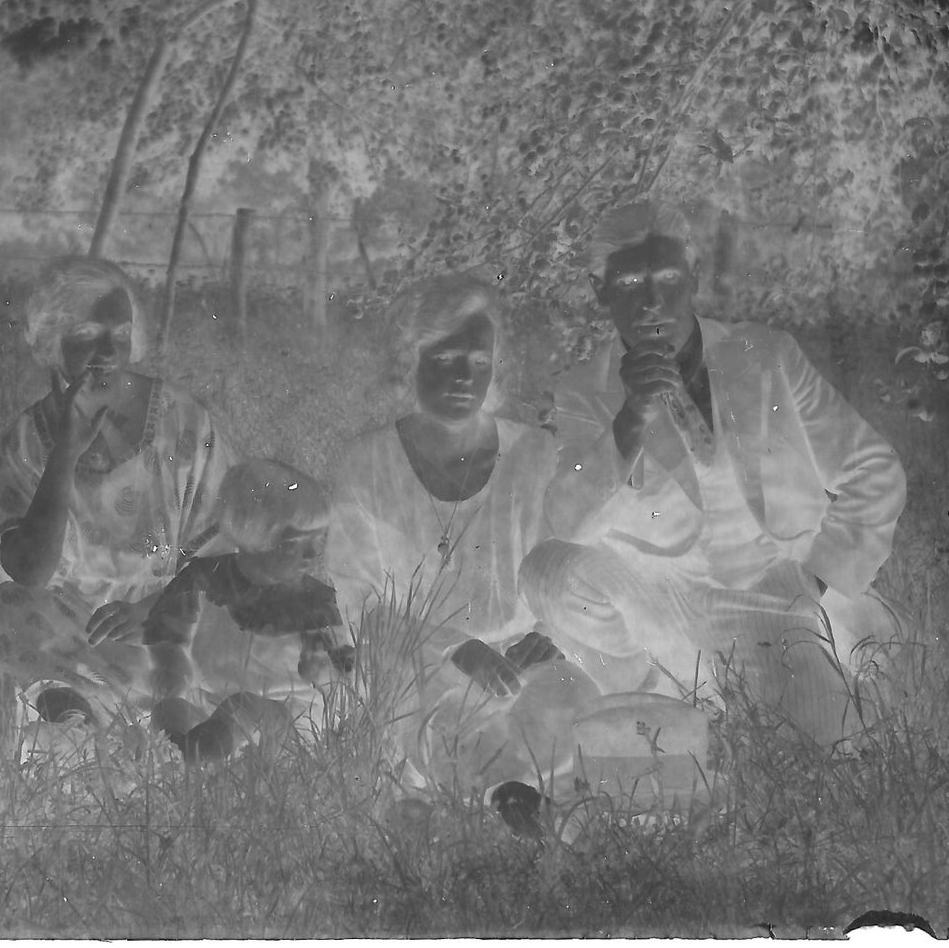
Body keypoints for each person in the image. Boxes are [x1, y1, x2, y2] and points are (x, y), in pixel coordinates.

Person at [526, 201, 907, 743]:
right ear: (599, 289)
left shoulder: (766, 354)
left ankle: (814, 645)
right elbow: (568, 520)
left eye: (667, 277)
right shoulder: (584, 387)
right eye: (629, 282)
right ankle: (665, 687)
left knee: (825, 742)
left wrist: (817, 577)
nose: (651, 300)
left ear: (694, 274)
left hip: (767, 588)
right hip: (664, 599)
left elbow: (874, 469)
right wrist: (631, 414)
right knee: (547, 568)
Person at [325, 274, 600, 807]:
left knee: (570, 698)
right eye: (445, 358)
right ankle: (509, 793)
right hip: (421, 659)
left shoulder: (535, 453)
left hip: (521, 659)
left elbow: (571, 561)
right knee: (434, 713)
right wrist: (458, 648)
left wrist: (550, 630)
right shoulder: (367, 462)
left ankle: (505, 789)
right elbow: (356, 599)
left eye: (478, 360)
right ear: (410, 362)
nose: (463, 377)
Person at [0, 255, 235, 725]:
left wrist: (152, 611)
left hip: (165, 619)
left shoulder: (183, 417)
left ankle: (73, 702)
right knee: (3, 608)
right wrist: (65, 451)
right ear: (51, 342)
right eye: (86, 333)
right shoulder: (25, 437)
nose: (107, 349)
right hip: (63, 622)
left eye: (120, 333)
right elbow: (28, 572)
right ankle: (78, 708)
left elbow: (224, 549)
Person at [143, 459, 354, 761]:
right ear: (252, 535)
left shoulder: (315, 603)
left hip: (283, 719)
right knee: (169, 709)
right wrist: (172, 667)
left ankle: (199, 757)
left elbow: (343, 670)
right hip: (211, 706)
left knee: (241, 705)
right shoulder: (205, 578)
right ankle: (179, 754)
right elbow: (166, 630)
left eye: (318, 540)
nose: (311, 553)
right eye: (295, 543)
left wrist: (324, 671)